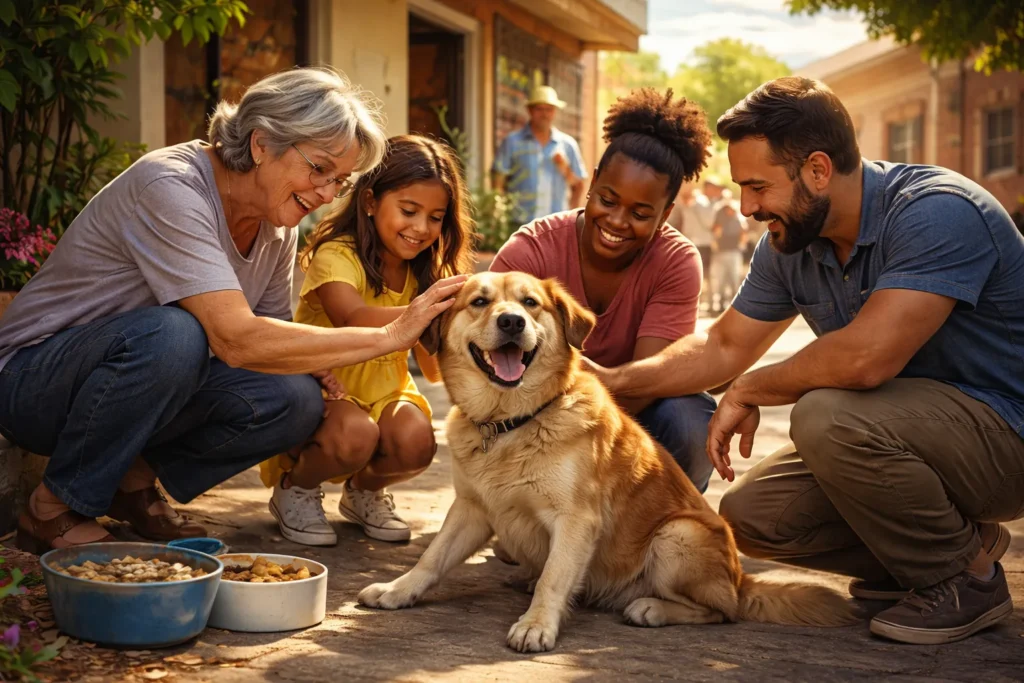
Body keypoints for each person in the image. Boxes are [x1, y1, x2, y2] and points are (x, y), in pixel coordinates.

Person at [587, 76, 1024, 645]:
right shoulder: (788, 242)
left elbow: (867, 358)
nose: (745, 207)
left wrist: (749, 388)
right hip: (915, 443)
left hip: (1008, 436)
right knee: (751, 516)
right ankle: (951, 550)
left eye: (757, 187)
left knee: (825, 415)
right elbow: (723, 346)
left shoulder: (937, 211)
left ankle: (962, 581)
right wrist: (606, 382)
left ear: (818, 170)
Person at [0, 67, 466, 553]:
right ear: (262, 144)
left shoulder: (277, 223)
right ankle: (51, 510)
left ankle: (130, 482)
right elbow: (236, 339)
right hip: (33, 382)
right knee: (175, 334)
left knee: (295, 397)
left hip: (125, 388)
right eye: (320, 169)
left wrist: (320, 371)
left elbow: (271, 338)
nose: (328, 194)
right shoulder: (171, 187)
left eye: (340, 180)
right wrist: (391, 333)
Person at [490, 88, 718, 493]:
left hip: (627, 422)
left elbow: (646, 384)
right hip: (529, 422)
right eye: (608, 199)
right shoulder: (531, 249)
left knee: (690, 415)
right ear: (592, 182)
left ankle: (653, 524)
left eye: (641, 213)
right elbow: (493, 368)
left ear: (666, 215)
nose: (617, 221)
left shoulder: (677, 262)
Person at [259, 135, 473, 546]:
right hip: (324, 390)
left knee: (417, 442)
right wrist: (424, 312)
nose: (421, 228)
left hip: (386, 389)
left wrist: (456, 334)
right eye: (408, 211)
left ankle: (365, 493)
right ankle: (297, 488)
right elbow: (351, 319)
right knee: (356, 435)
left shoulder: (426, 274)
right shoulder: (338, 254)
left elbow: (433, 368)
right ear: (371, 202)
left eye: (435, 217)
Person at [492, 85, 586, 224]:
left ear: (555, 112)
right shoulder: (512, 142)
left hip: (556, 224)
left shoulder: (568, 145)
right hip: (519, 223)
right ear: (529, 110)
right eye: (539, 109)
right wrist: (499, 216)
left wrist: (565, 169)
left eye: (549, 109)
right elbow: (498, 181)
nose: (544, 114)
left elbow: (578, 185)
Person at [667, 182, 715, 312]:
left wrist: (694, 205)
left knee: (705, 276)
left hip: (703, 244)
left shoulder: (701, 202)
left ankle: (709, 304)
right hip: (689, 243)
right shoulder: (681, 202)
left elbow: (709, 222)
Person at [710, 197, 747, 313]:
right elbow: (715, 233)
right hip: (721, 253)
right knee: (720, 281)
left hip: (734, 252)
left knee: (734, 280)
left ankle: (734, 306)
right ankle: (720, 305)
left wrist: (741, 245)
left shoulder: (738, 219)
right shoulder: (719, 218)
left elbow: (743, 233)